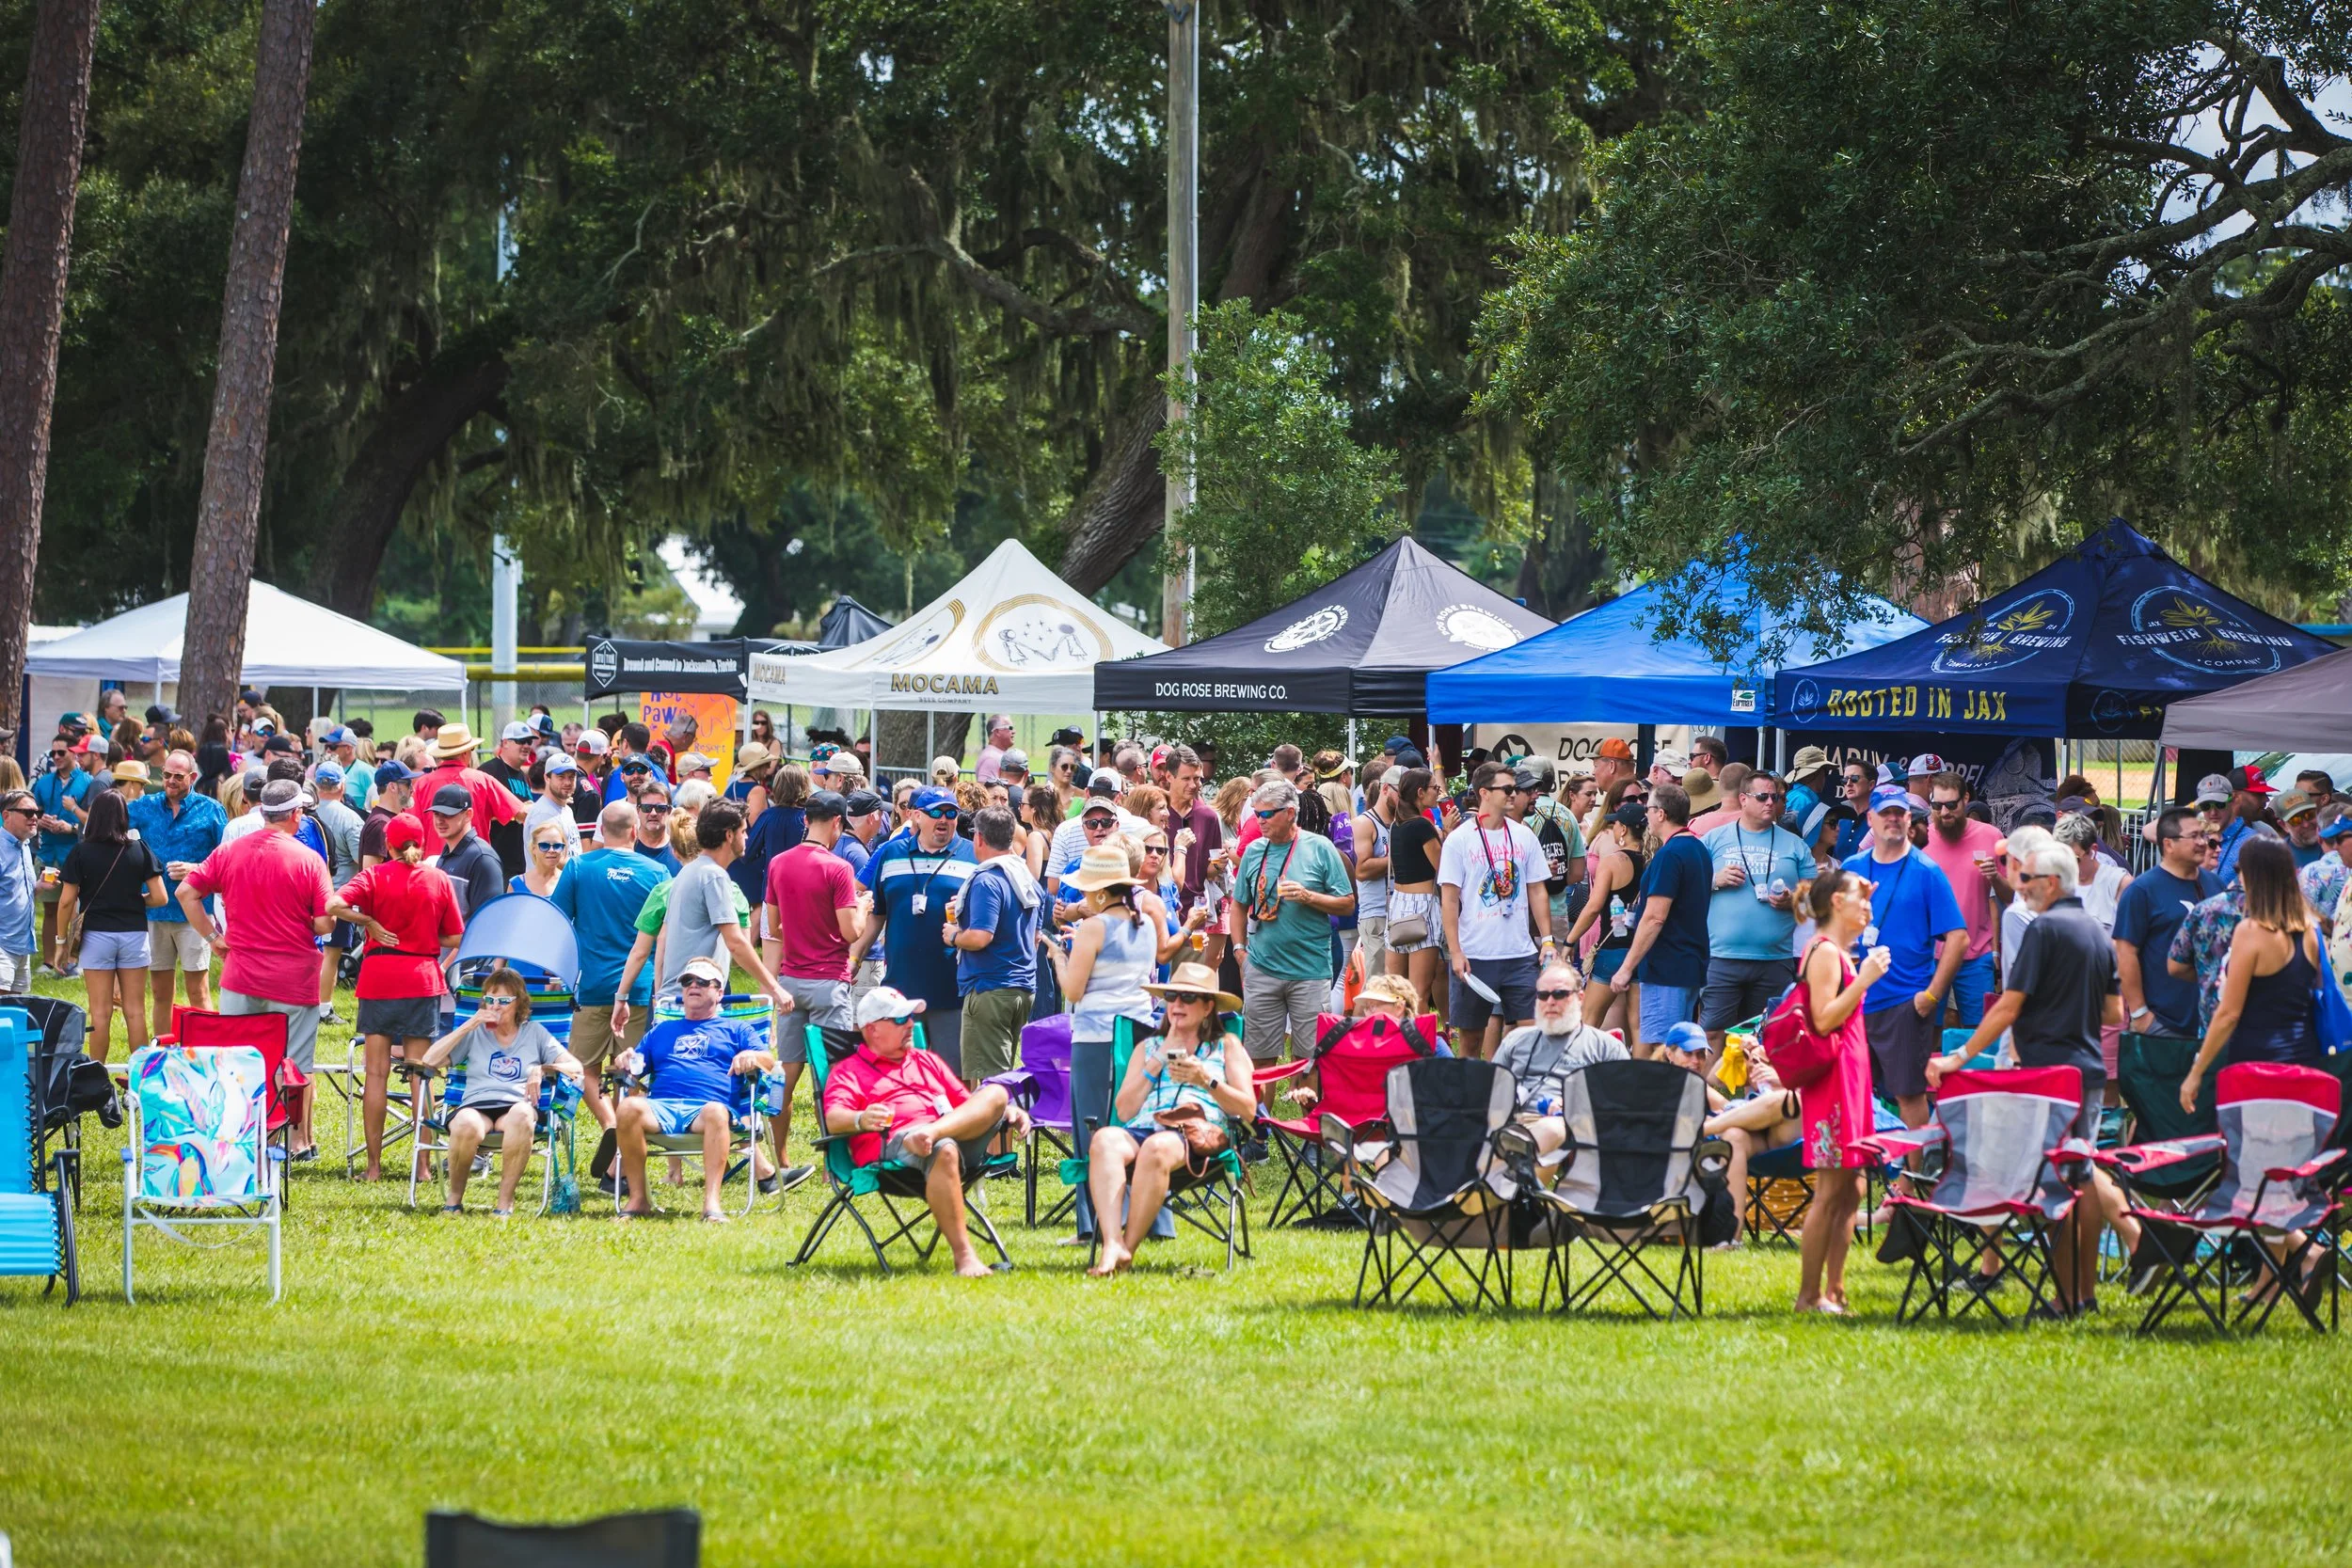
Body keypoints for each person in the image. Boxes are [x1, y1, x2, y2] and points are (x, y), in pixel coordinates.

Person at [1929, 845, 2124, 1318]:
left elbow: (2011, 1006)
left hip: (2049, 1074)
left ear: (2053, 883)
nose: (2020, 885)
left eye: (2029, 878)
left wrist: (1961, 1054)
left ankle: (2062, 1298)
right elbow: (2113, 1012)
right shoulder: (2098, 932)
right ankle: (2085, 1294)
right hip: (2089, 1070)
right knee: (2080, 1176)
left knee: (2055, 1183)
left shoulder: (2045, 929)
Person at [819, 985, 1027, 1275]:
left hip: (942, 1136)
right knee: (944, 1150)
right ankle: (965, 1258)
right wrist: (861, 1119)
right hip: (895, 1148)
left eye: (909, 1017)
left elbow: (967, 1106)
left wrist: (1004, 1111)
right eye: (898, 1019)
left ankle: (933, 1132)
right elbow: (834, 1118)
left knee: (995, 1094)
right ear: (872, 1030)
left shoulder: (925, 1060)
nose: (909, 1024)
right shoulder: (850, 1070)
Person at [178, 779, 335, 1156]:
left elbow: (186, 892)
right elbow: (325, 923)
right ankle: (296, 1142)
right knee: (294, 1065)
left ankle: (239, 1140)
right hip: (293, 978)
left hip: (241, 975)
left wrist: (213, 936)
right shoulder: (309, 859)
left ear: (263, 812)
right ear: (296, 814)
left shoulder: (230, 851)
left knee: (236, 1063)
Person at [1080, 962, 1256, 1275]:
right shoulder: (1147, 1047)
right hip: (1143, 1129)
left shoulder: (1226, 1046)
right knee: (1104, 1139)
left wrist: (1207, 1081)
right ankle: (1112, 1244)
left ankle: (1127, 1250)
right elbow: (1124, 1111)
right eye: (1172, 995)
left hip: (1195, 1134)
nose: (1177, 1004)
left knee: (1157, 1147)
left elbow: (1248, 1110)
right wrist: (1158, 1059)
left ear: (1208, 1008)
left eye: (1188, 998)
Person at [328, 814, 465, 1181]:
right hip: (421, 979)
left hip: (379, 980)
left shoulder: (373, 876)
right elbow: (455, 936)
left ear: (387, 845)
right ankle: (421, 1166)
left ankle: (373, 1168)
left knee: (376, 1074)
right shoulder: (437, 878)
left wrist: (369, 923)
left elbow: (332, 905)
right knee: (422, 1074)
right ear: (422, 843)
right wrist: (423, 939)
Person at [1778, 868, 1886, 1312]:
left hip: (1852, 1077)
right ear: (1837, 904)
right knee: (1830, 1190)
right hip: (1834, 1081)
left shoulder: (1838, 951)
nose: (1868, 907)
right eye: (1860, 899)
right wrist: (1864, 981)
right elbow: (1823, 1020)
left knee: (1853, 1189)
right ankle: (1809, 1295)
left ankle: (1836, 1290)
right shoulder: (1823, 952)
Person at [611, 956, 781, 1221]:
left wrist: (752, 1057)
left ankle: (711, 1205)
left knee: (715, 1111)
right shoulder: (662, 1030)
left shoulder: (737, 1029)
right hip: (662, 1108)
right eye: (687, 981)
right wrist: (625, 1060)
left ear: (719, 991)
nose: (693, 986)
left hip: (708, 1110)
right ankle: (638, 1198)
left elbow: (770, 1061)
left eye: (703, 981)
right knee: (628, 1107)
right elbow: (636, 1065)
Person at [412, 962, 583, 1216]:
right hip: (476, 1104)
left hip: (517, 1105)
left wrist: (543, 1068)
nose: (495, 1006)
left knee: (522, 1116)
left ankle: (505, 1202)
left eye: (504, 1000)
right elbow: (428, 1061)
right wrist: (469, 1024)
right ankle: (454, 1201)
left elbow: (576, 1067)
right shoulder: (474, 1032)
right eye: (490, 999)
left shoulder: (535, 1032)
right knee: (465, 1123)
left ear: (519, 1003)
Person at [1843, 784, 1965, 1131]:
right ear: (1870, 819)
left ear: (1910, 819)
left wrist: (1931, 996)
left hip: (1903, 1002)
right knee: (1854, 1090)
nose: (1893, 819)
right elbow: (1831, 927)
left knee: (1909, 1095)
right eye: (1885, 813)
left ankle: (1914, 1180)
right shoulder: (1852, 867)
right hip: (1855, 1000)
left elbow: (1958, 938)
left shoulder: (1926, 871)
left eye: (1899, 813)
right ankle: (1863, 1174)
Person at [1233, 780, 1356, 1076]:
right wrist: (1239, 950)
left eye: (1266, 815)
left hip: (1309, 971)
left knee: (1309, 1061)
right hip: (1262, 968)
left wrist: (1308, 896)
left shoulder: (1320, 848)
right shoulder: (1253, 852)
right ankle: (1259, 1122)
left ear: (1290, 813)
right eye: (1256, 814)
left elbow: (1348, 903)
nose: (1258, 821)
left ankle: (1307, 1121)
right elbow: (1238, 905)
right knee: (1259, 1061)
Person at [852, 785, 977, 1073]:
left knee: (951, 1076)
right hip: (901, 991)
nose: (944, 819)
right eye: (936, 813)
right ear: (916, 816)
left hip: (952, 991)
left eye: (951, 813)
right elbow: (877, 914)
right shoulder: (891, 853)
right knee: (900, 1074)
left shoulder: (972, 856)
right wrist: (855, 956)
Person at [2184, 837, 2326, 1087]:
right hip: (2304, 1058)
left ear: (2250, 875)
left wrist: (2197, 1072)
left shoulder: (2251, 931)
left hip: (2256, 1063)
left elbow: (2228, 1013)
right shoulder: (2310, 928)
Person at [1437, 761, 1553, 1055]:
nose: (1515, 794)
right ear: (1485, 793)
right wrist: (1456, 951)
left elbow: (1537, 889)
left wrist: (1548, 940)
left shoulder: (1524, 835)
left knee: (1531, 1035)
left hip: (1520, 954)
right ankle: (1469, 1099)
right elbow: (1449, 899)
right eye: (1508, 789)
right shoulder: (1459, 840)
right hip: (1475, 955)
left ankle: (1519, 1096)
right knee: (1471, 1041)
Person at [1699, 770, 1810, 1053]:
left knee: (1766, 1036)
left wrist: (1795, 900)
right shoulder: (1714, 839)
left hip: (1775, 958)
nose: (1770, 803)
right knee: (1713, 1033)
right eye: (1762, 797)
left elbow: (1817, 899)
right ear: (1743, 799)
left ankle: (1753, 1096)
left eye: (1775, 797)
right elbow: (1688, 888)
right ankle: (1709, 1097)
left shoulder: (1795, 844)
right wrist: (1714, 880)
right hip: (1722, 956)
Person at [52, 789, 167, 1061]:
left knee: (100, 1012)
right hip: (134, 935)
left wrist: (61, 942)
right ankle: (138, 1081)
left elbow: (67, 901)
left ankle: (97, 1082)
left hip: (96, 936)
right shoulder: (139, 849)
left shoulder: (81, 851)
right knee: (135, 1011)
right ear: (123, 817)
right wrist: (135, 901)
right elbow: (161, 897)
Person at [2111, 806, 2222, 1052]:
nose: (2203, 842)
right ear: (2168, 844)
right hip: (2165, 1022)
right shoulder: (2142, 891)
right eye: (2194, 836)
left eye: (2203, 836)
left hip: (2213, 1020)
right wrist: (2141, 1015)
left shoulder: (2214, 883)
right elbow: (2125, 953)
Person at [946, 805, 1041, 1086]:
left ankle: (999, 1132)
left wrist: (953, 935)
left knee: (991, 1084)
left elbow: (980, 937)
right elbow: (1034, 936)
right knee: (1003, 1074)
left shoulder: (987, 880)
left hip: (990, 988)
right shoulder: (1026, 878)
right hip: (1022, 988)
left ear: (978, 839)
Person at [129, 748, 226, 1021]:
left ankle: (205, 1051)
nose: (170, 780)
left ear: (192, 777)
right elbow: (109, 821)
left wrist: (196, 869)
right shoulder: (145, 806)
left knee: (198, 991)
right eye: (167, 774)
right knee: (160, 993)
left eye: (178, 776)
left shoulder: (211, 810)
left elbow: (227, 858)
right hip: (155, 910)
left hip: (194, 912)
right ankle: (163, 1051)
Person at [1618, 782, 1712, 1053]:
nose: (1645, 815)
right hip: (1689, 962)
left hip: (1667, 966)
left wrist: (1626, 968)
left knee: (1666, 1050)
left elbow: (1654, 918)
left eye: (1648, 808)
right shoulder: (1697, 848)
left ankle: (1667, 1097)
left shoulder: (1670, 854)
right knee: (1681, 1048)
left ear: (1661, 813)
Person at [1495, 962, 1628, 1145]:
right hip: (1514, 1123)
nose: (1550, 1002)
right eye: (1543, 995)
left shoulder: (1606, 1047)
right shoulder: (1515, 1041)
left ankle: (1514, 1165)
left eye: (1559, 994)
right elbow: (1491, 1092)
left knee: (1551, 1128)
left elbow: (1623, 1103)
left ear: (1580, 998)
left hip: (1575, 1128)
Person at [1915, 771, 2008, 1027]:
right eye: (1936, 805)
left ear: (1966, 799)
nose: (1944, 812)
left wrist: (1996, 879)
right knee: (1925, 1028)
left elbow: (2012, 897)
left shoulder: (1992, 837)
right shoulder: (1922, 838)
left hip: (1976, 955)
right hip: (1929, 955)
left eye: (1951, 805)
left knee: (1979, 1031)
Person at [33, 732, 92, 975]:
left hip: (75, 854)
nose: (55, 757)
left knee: (77, 909)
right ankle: (49, 962)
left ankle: (71, 961)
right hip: (48, 855)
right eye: (53, 752)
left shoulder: (87, 782)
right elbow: (32, 813)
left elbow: (94, 819)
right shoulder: (44, 782)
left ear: (74, 753)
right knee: (50, 909)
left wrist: (72, 827)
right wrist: (40, 820)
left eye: (61, 752)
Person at [425, 785, 505, 920]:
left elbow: (488, 921)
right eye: (436, 814)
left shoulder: (483, 858)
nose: (440, 820)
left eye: (448, 814)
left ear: (468, 815)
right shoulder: (448, 852)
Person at [524, 752, 585, 861]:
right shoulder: (544, 814)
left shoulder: (566, 809)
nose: (567, 782)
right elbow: (548, 860)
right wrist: (582, 869)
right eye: (561, 777)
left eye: (571, 777)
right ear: (547, 778)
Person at [512, 814, 572, 898]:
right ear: (533, 849)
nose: (551, 850)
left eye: (557, 846)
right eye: (544, 846)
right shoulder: (516, 884)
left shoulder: (571, 883)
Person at [975, 715, 1016, 784]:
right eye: (1010, 728)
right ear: (997, 732)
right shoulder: (991, 758)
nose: (1014, 731)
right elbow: (985, 790)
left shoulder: (996, 755)